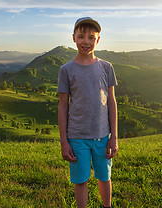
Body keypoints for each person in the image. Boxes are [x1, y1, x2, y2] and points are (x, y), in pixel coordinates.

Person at [57, 17, 118, 208]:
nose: (86, 41)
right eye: (81, 36)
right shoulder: (66, 70)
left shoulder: (106, 67)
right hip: (77, 137)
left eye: (91, 37)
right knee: (80, 180)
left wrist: (113, 137)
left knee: (104, 176)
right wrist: (64, 141)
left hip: (102, 135)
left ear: (98, 40)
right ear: (73, 38)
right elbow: (63, 106)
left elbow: (112, 102)